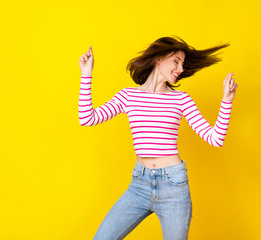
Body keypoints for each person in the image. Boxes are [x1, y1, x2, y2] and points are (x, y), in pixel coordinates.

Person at [78, 36, 238, 240]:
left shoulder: (180, 99)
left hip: (174, 187)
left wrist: (227, 101)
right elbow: (87, 118)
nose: (180, 69)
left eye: (182, 64)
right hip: (139, 185)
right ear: (159, 58)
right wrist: (86, 75)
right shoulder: (128, 96)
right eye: (176, 61)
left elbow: (215, 138)